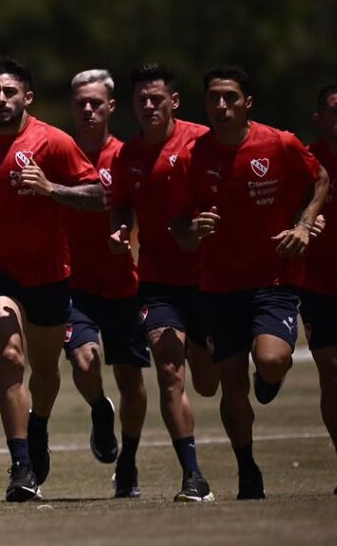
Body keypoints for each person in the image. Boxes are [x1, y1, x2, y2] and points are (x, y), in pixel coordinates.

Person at [170, 65, 328, 500]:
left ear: (247, 103)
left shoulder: (279, 143)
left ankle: (271, 379)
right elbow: (179, 228)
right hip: (219, 286)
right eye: (214, 99)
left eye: (231, 98)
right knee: (231, 381)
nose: (221, 106)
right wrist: (193, 230)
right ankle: (247, 469)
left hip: (273, 279)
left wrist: (304, 222)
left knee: (273, 361)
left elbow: (320, 179)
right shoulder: (191, 156)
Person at [0, 55, 103, 501]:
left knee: (46, 369)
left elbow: (97, 195)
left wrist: (51, 189)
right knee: (11, 355)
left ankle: (38, 425)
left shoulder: (53, 142)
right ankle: (21, 467)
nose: (0, 99)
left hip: (49, 274)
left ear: (27, 97)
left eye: (9, 92)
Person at [108, 63, 218, 502]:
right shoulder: (127, 156)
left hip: (210, 279)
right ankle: (193, 476)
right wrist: (119, 230)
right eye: (142, 100)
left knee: (208, 380)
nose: (149, 106)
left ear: (174, 101)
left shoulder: (201, 143)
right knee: (170, 373)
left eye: (157, 98)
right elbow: (120, 206)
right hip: (156, 281)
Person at [61, 70, 148, 498]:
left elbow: (137, 206)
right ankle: (98, 408)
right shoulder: (58, 152)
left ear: (111, 107)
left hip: (123, 285)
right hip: (73, 283)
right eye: (81, 103)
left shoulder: (127, 156)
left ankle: (128, 462)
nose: (88, 110)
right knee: (84, 363)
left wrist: (125, 229)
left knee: (132, 381)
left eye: (96, 103)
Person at [298, 84, 337, 495]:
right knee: (332, 376)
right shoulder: (306, 161)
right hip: (319, 286)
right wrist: (303, 222)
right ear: (320, 118)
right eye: (335, 110)